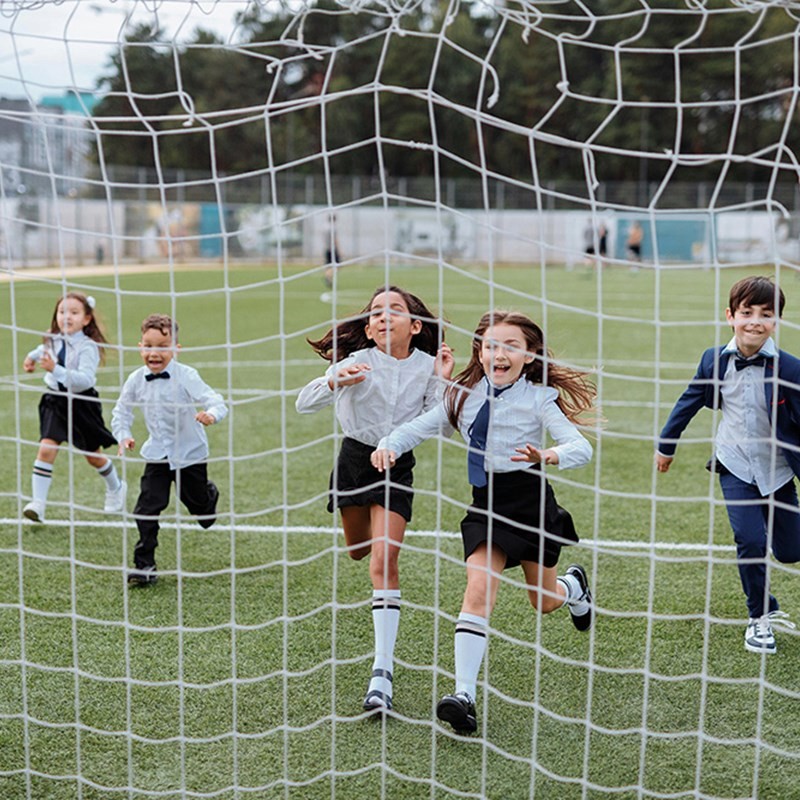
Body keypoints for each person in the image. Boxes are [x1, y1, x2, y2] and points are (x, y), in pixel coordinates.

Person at [371, 310, 596, 734]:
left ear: (529, 355)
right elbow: (418, 427)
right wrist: (388, 445)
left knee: (543, 601)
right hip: (486, 506)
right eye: (492, 344)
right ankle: (464, 695)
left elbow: (580, 446)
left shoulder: (539, 398)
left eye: (512, 346)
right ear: (480, 349)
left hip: (531, 505)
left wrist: (550, 455)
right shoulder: (463, 394)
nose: (500, 353)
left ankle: (573, 588)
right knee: (477, 590)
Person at [296, 286, 454, 713]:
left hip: (397, 466)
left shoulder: (427, 366)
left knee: (382, 561)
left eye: (396, 311)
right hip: (353, 462)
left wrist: (442, 379)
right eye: (377, 313)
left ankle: (381, 671)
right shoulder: (356, 361)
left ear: (415, 326)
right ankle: (381, 663)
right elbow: (302, 403)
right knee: (358, 550)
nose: (385, 317)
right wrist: (333, 379)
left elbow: (443, 427)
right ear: (368, 328)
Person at [656, 275, 800, 655]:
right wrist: (666, 446)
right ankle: (760, 617)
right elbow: (688, 401)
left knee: (789, 550)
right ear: (730, 316)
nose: (755, 321)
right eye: (746, 312)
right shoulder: (713, 360)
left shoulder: (790, 368)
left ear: (776, 322)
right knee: (750, 540)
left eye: (765, 314)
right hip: (734, 464)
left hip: (779, 470)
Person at [111, 314, 227, 587]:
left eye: (163, 346)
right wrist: (124, 435)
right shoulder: (136, 380)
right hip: (158, 455)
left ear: (176, 348)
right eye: (148, 346)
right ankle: (145, 565)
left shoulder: (186, 375)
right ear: (140, 346)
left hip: (190, 454)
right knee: (147, 507)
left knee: (198, 507)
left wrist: (211, 414)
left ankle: (208, 497)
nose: (155, 353)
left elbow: (215, 399)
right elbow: (122, 411)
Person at [22, 292, 125, 523]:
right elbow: (43, 352)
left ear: (86, 319)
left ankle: (116, 487)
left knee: (93, 456)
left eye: (74, 312)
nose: (66, 316)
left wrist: (54, 369)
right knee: (47, 448)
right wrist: (31, 358)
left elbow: (85, 380)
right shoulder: (52, 338)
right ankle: (38, 504)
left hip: (82, 404)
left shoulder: (88, 347)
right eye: (62, 311)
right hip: (54, 400)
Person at [323, 214, 341, 288]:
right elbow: (335, 240)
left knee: (329, 265)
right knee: (337, 265)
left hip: (327, 249)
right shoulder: (333, 228)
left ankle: (328, 277)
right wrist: (339, 250)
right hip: (333, 249)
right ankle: (328, 276)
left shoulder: (325, 227)